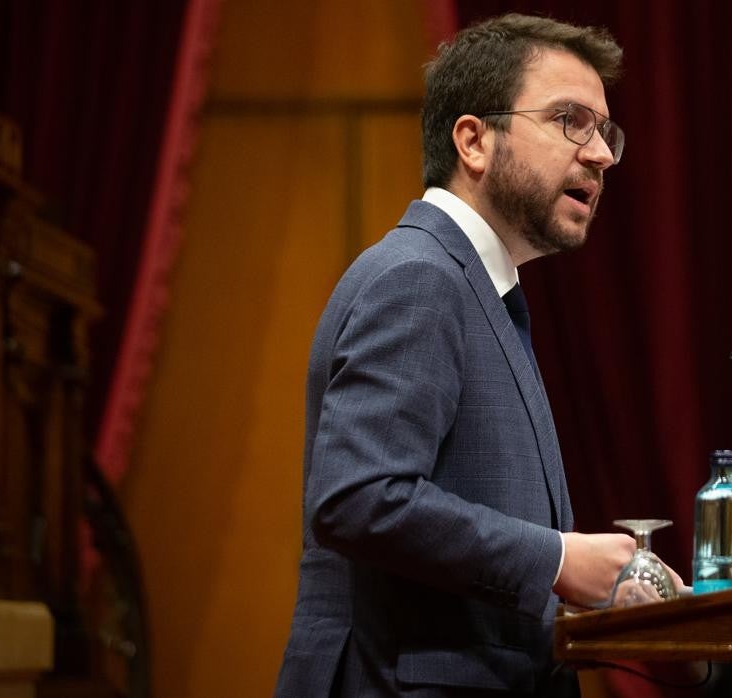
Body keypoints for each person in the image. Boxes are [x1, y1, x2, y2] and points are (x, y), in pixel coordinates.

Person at [275, 14, 675, 697]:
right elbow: (359, 497)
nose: (601, 154)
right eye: (569, 121)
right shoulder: (420, 278)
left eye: (605, 132)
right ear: (474, 141)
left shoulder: (479, 289)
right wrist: (555, 560)